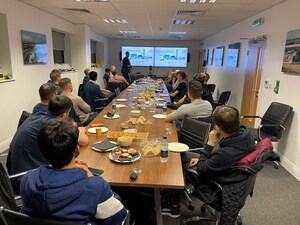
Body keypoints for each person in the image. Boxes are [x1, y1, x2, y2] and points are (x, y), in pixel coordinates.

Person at [20, 119, 127, 225]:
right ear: (77, 150)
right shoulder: (95, 186)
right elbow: (118, 217)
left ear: (42, 152)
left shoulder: (27, 179)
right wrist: (92, 178)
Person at [162, 106, 255, 218]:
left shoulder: (225, 154)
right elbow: (221, 158)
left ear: (218, 128)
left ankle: (174, 207)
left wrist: (210, 143)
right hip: (229, 170)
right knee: (183, 155)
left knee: (175, 164)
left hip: (217, 181)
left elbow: (201, 168)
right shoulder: (246, 134)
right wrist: (208, 159)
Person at [6, 95, 89, 176]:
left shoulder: (39, 114)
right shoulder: (51, 124)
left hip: (15, 164)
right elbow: (84, 141)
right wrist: (80, 131)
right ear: (63, 115)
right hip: (24, 173)